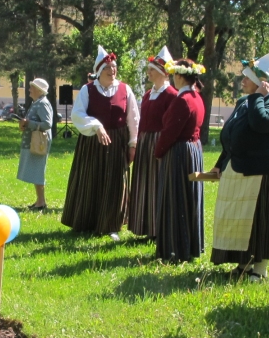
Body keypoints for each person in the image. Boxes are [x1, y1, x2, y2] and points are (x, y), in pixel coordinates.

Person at [208, 52, 269, 281]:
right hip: (241, 168)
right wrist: (220, 164)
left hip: (264, 172)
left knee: (260, 221)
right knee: (238, 219)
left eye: (247, 77)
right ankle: (243, 264)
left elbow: (261, 123)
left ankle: (260, 270)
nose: (242, 81)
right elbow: (232, 134)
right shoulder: (244, 102)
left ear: (262, 82)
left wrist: (258, 97)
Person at [62, 46, 140, 234]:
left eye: (114, 67)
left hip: (117, 142)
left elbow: (133, 118)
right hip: (92, 143)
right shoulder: (87, 90)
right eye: (108, 67)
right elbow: (78, 114)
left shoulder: (125, 89)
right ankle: (85, 222)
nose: (112, 70)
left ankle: (111, 225)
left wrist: (133, 144)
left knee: (115, 182)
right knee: (91, 180)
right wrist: (96, 126)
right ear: (99, 71)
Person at [154, 58, 206, 262]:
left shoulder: (183, 100)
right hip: (194, 150)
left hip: (179, 153)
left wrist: (158, 152)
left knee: (175, 199)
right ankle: (189, 246)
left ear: (179, 76)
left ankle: (175, 248)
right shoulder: (197, 97)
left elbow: (169, 132)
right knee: (189, 198)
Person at [128, 47, 175, 238]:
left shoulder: (171, 95)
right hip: (145, 140)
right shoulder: (148, 94)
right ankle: (144, 226)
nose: (149, 72)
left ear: (163, 73)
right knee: (143, 182)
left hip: (158, 140)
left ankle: (157, 229)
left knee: (156, 182)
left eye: (152, 70)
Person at [17, 77, 54, 210]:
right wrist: (24, 124)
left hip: (40, 143)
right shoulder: (37, 102)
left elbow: (47, 124)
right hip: (34, 142)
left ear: (39, 90)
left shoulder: (42, 103)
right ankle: (39, 200)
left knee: (38, 171)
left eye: (32, 87)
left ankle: (41, 202)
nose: (29, 89)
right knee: (35, 171)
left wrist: (30, 124)